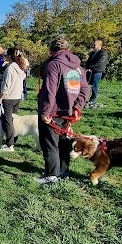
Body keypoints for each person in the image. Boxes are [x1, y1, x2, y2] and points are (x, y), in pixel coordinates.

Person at [37, 37, 89, 185]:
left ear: (51, 50)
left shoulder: (54, 65)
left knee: (50, 143)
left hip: (53, 111)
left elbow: (49, 90)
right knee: (64, 142)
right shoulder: (78, 67)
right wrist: (77, 106)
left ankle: (51, 174)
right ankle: (63, 170)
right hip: (68, 112)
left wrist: (45, 112)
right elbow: (85, 89)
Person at [0, 48, 29, 152]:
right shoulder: (20, 68)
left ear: (9, 56)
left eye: (6, 55)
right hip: (17, 97)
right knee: (13, 120)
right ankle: (13, 141)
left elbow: (6, 84)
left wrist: (1, 98)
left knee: (8, 121)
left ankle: (9, 145)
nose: (5, 57)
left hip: (9, 97)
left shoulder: (10, 68)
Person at [85, 39, 109, 108]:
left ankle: (93, 100)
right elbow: (88, 61)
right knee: (87, 86)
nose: (93, 46)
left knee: (94, 86)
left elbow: (99, 63)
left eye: (95, 44)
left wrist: (90, 67)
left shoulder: (103, 53)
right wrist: (86, 67)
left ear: (100, 45)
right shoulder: (92, 53)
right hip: (89, 72)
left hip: (97, 72)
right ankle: (85, 99)